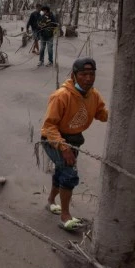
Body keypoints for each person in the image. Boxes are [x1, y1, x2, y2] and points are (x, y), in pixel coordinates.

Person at [40, 57, 108, 230]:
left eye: (91, 74)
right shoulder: (61, 96)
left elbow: (102, 114)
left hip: (74, 139)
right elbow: (49, 126)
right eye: (83, 74)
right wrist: (63, 148)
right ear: (74, 75)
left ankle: (50, 202)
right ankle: (65, 216)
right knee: (69, 174)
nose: (88, 78)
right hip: (53, 139)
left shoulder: (94, 95)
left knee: (61, 171)